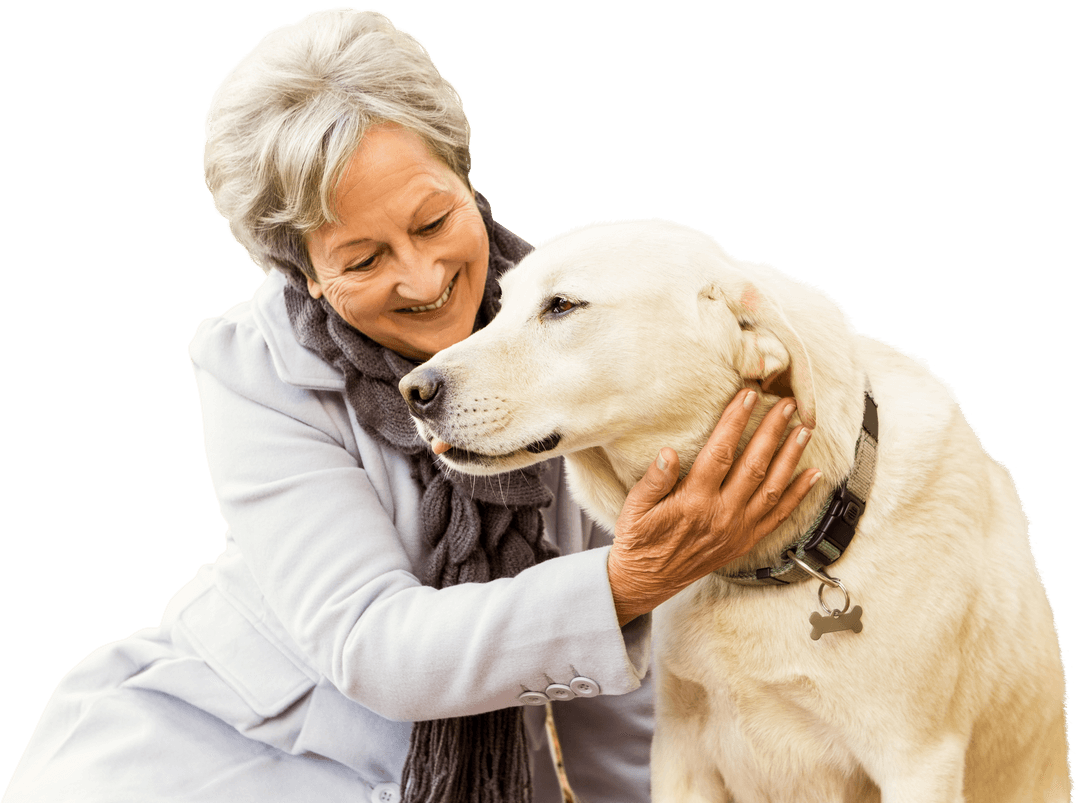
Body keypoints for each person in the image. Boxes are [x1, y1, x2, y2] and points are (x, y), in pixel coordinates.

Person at [3, 9, 818, 803]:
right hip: (215, 742)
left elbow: (620, 686)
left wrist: (632, 594)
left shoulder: (592, 327)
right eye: (363, 258)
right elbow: (372, 643)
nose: (426, 280)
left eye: (434, 221)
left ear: (467, 181)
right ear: (306, 276)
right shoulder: (251, 367)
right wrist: (623, 581)